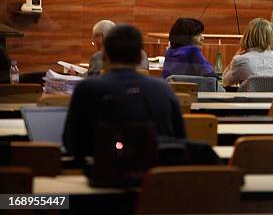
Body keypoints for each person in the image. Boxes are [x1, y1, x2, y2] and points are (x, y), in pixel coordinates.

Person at [63, 24, 186, 162]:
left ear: (103, 57)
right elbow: (180, 140)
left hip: (102, 175)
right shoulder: (164, 90)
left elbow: (72, 144)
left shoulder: (85, 89)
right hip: (154, 178)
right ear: (140, 58)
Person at [222, 18, 273, 87]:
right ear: (270, 38)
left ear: (247, 36)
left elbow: (226, 82)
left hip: (250, 98)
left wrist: (235, 57)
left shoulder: (240, 60)